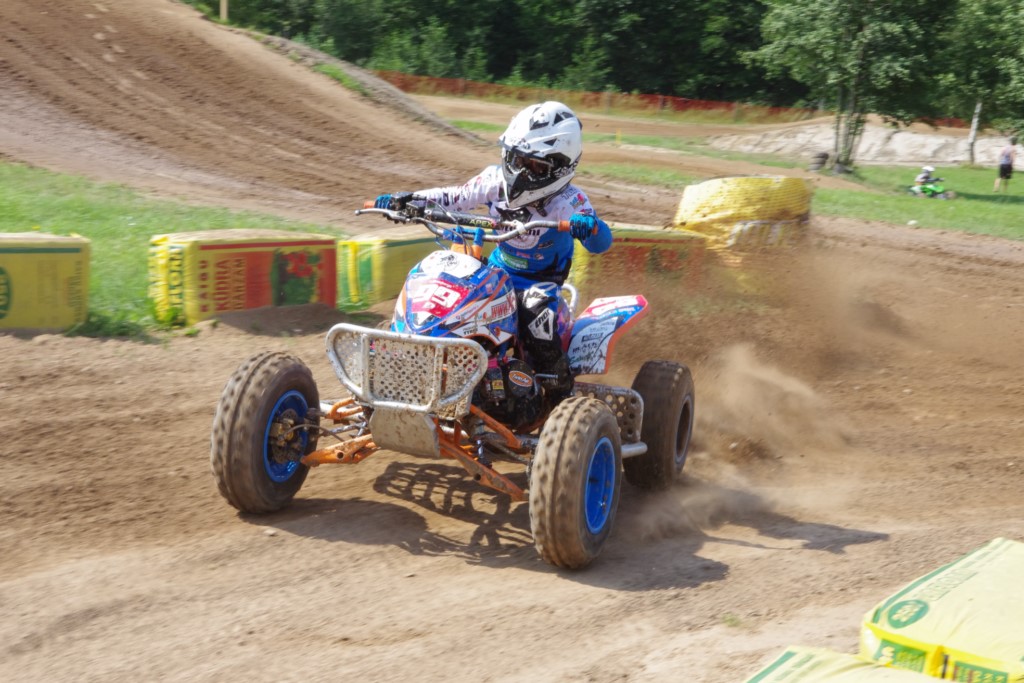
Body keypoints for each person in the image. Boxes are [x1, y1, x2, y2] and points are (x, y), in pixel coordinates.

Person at [374, 101, 613, 404]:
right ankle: (415, 361)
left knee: (536, 319)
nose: (520, 171)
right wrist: (409, 201)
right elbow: (453, 197)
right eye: (516, 159)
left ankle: (557, 392)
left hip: (538, 283)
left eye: (534, 165)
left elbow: (601, 243)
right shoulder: (493, 181)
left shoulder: (569, 201)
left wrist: (589, 227)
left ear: (560, 167)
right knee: (442, 291)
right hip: (496, 272)